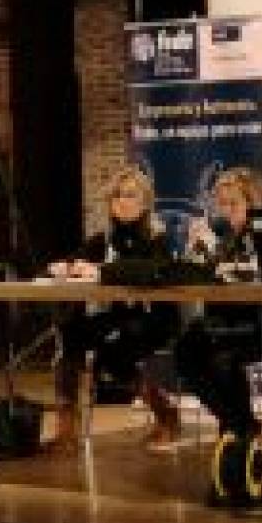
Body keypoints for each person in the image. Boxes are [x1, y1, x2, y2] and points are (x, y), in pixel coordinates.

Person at [47, 163, 179, 451]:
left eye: (130, 195)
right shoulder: (104, 239)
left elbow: (150, 270)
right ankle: (66, 428)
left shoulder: (158, 239)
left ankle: (165, 413)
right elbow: (77, 260)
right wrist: (65, 267)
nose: (122, 201)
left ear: (145, 202)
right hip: (116, 316)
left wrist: (101, 270)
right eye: (117, 195)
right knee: (70, 332)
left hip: (153, 318)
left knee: (115, 349)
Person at [175, 167, 262, 438]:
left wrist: (213, 250)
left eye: (233, 203)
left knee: (221, 356)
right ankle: (240, 425)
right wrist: (194, 248)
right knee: (186, 349)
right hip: (223, 320)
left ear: (252, 202)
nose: (226, 210)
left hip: (259, 323)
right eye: (222, 204)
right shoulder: (225, 233)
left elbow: (250, 274)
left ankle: (239, 428)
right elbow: (198, 274)